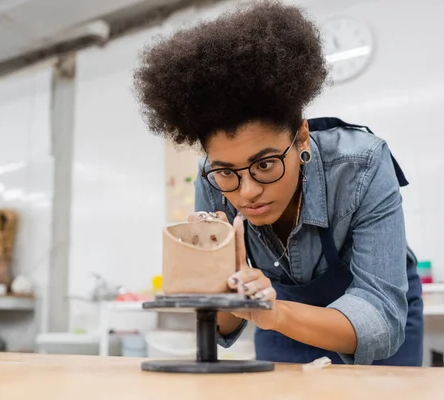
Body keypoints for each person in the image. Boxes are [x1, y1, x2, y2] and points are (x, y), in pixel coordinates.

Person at [133, 0, 423, 366]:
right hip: (277, 320)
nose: (247, 191)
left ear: (302, 137)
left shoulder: (361, 165)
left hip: (370, 320)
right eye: (226, 172)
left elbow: (380, 315)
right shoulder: (211, 180)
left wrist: (276, 313)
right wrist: (221, 286)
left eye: (266, 164)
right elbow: (224, 323)